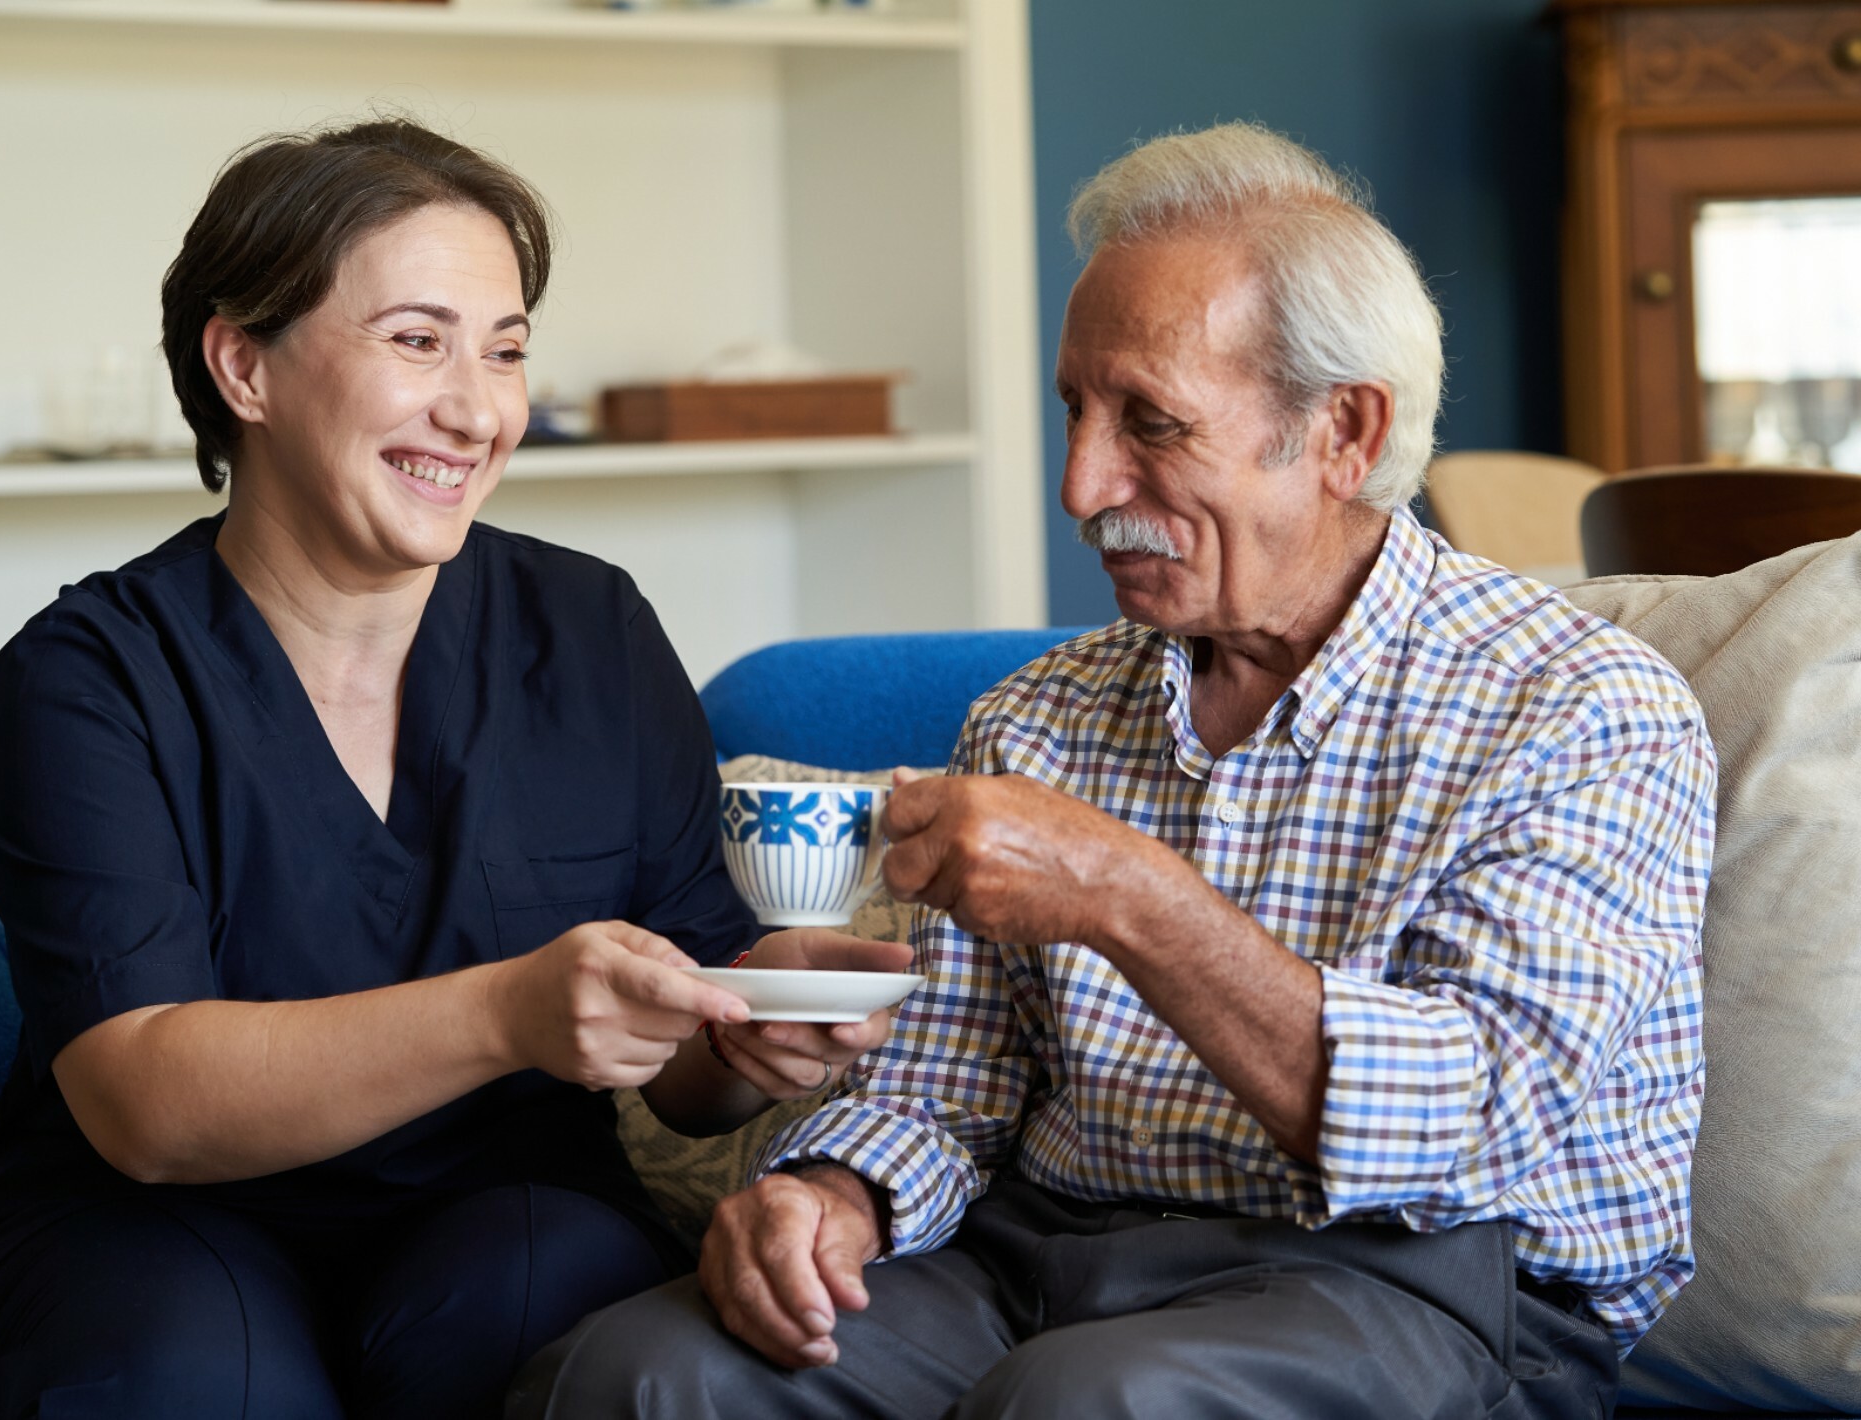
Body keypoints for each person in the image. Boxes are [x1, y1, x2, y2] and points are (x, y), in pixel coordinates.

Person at [516, 123, 1716, 1420]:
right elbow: (945, 1083)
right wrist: (835, 1194)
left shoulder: (1583, 711)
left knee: (1087, 1404)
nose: (1083, 483)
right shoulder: (1039, 718)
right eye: (1074, 413)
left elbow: (1478, 1121)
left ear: (1345, 434)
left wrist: (1126, 893)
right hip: (1045, 1250)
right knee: (639, 1375)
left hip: (1425, 1283)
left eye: (1151, 422)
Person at [0, 118, 911, 1420]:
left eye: (505, 351)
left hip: (502, 1210)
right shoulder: (90, 674)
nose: (478, 409)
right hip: (150, 1224)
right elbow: (143, 1102)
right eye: (417, 341)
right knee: (199, 1365)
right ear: (243, 367)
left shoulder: (592, 632)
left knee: (570, 1317)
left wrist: (756, 1026)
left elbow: (682, 1061)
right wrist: (505, 1012)